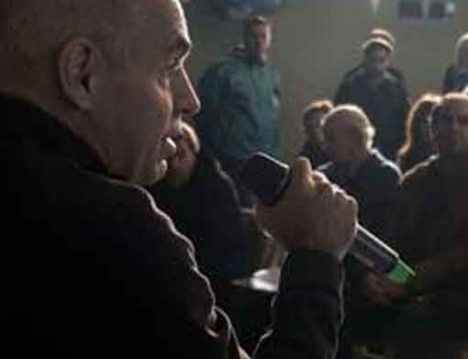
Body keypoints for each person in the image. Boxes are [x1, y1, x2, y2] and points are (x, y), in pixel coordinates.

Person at [0, 1, 358, 358]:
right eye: (170, 67)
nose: (191, 100)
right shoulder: (118, 232)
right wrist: (316, 258)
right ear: (82, 73)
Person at [366, 93, 468, 358]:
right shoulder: (416, 179)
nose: (452, 127)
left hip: (467, 287)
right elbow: (394, 239)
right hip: (412, 281)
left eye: (462, 121)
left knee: (418, 318)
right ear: (431, 129)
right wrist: (383, 278)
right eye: (444, 120)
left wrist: (408, 281)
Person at [149, 122, 264, 281]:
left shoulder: (216, 187)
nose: (174, 165)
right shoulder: (154, 187)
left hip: (218, 273)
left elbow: (221, 247)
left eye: (181, 156)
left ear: (194, 152)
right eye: (168, 159)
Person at [195, 15, 281, 178]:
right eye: (253, 36)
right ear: (244, 38)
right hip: (232, 158)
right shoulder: (222, 71)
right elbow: (202, 113)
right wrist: (212, 152)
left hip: (266, 157)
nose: (258, 41)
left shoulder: (271, 74)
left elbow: (273, 116)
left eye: (263, 36)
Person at [318, 105, 401, 238]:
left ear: (356, 137)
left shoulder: (385, 176)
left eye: (331, 138)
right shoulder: (325, 176)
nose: (326, 147)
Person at [334, 37, 410, 160]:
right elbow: (338, 118)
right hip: (353, 149)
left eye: (381, 60)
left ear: (388, 62)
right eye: (373, 60)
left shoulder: (396, 88)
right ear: (364, 59)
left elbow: (405, 119)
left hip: (389, 150)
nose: (376, 65)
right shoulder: (349, 87)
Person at [397, 93, 440, 173]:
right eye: (424, 122)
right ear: (416, 124)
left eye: (433, 122)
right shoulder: (407, 157)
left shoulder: (449, 156)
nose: (428, 126)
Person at [298, 99, 333, 168]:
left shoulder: (341, 150)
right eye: (310, 126)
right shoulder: (305, 157)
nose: (315, 130)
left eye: (318, 124)